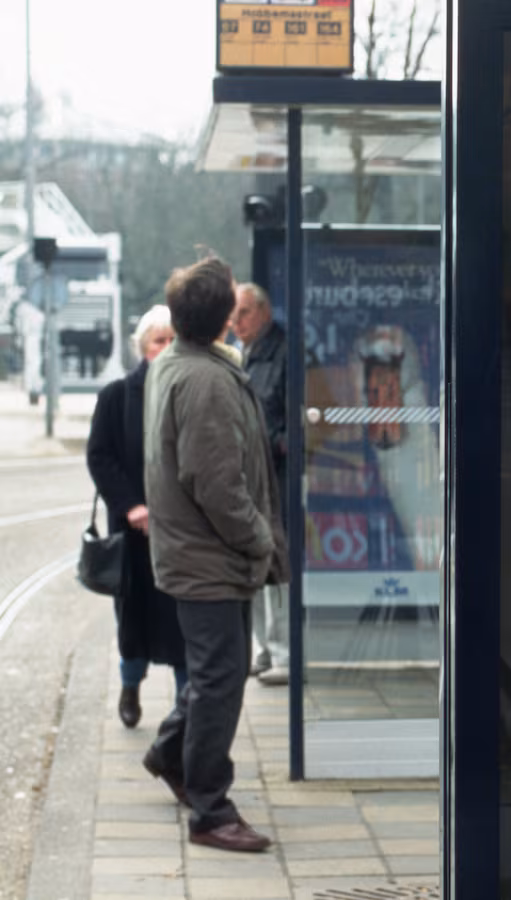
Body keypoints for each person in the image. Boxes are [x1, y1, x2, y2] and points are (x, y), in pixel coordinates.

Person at [140, 256, 288, 853]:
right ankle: (210, 809)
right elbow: (217, 483)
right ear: (224, 314)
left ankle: (168, 753)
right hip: (212, 560)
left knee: (211, 677)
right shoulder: (201, 377)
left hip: (195, 555)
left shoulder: (181, 362)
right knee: (221, 683)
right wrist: (259, 539)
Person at [86, 305, 187, 728]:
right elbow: (100, 456)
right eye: (157, 341)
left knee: (183, 620)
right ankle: (131, 685)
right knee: (133, 617)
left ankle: (187, 703)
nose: (164, 349)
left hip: (179, 531)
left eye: (171, 341)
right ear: (142, 347)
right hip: (132, 531)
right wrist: (131, 506)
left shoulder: (187, 390)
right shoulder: (115, 397)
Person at [231, 282, 290, 686]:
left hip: (277, 476)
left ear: (265, 312)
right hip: (248, 477)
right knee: (252, 561)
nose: (236, 323)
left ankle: (284, 652)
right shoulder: (240, 355)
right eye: (232, 316)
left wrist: (275, 447)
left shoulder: (285, 353)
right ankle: (264, 650)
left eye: (244, 313)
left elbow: (300, 419)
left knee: (277, 564)